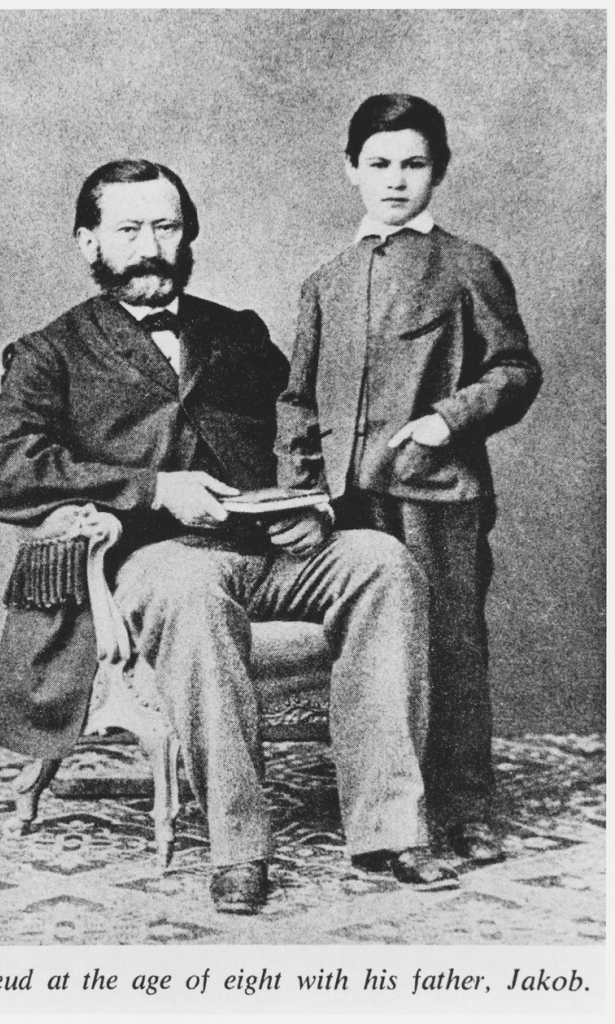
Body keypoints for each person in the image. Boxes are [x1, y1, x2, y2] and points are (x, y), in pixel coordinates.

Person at [0, 158, 457, 915]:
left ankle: (390, 830)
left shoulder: (237, 332)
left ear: (188, 234)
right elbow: (8, 471)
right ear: (88, 242)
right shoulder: (50, 352)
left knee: (383, 562)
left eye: (166, 227)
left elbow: (305, 433)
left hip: (270, 550)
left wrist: (315, 508)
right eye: (129, 230)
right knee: (193, 589)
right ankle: (239, 847)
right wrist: (155, 489)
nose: (150, 247)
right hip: (155, 557)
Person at [276, 95, 542, 864]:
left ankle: (463, 807)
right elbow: (297, 401)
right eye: (380, 163)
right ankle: (385, 810)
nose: (395, 180)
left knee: (449, 647)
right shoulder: (325, 281)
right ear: (351, 170)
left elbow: (515, 369)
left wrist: (447, 420)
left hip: (436, 495)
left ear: (439, 171)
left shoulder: (468, 266)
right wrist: (303, 490)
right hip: (347, 505)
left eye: (414, 164)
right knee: (375, 653)